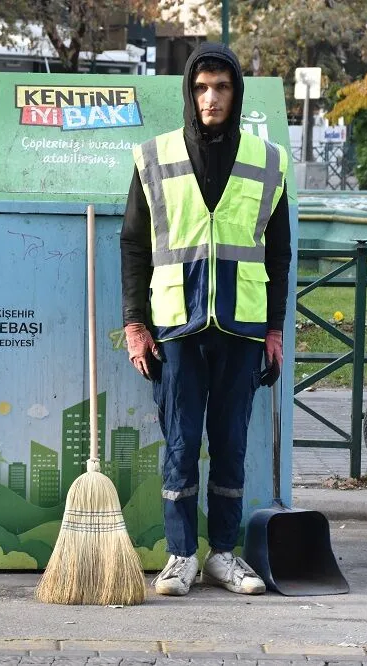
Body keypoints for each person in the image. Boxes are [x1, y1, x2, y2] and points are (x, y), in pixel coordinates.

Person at [119, 42, 291, 596]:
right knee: (180, 443)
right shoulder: (155, 156)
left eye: (221, 87)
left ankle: (223, 554)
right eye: (201, 88)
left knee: (231, 443)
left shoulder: (268, 161)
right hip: (176, 326)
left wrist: (275, 328)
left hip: (242, 326)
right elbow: (133, 247)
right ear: (189, 94)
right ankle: (178, 556)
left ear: (236, 93)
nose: (211, 97)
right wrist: (135, 325)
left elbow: (280, 251)